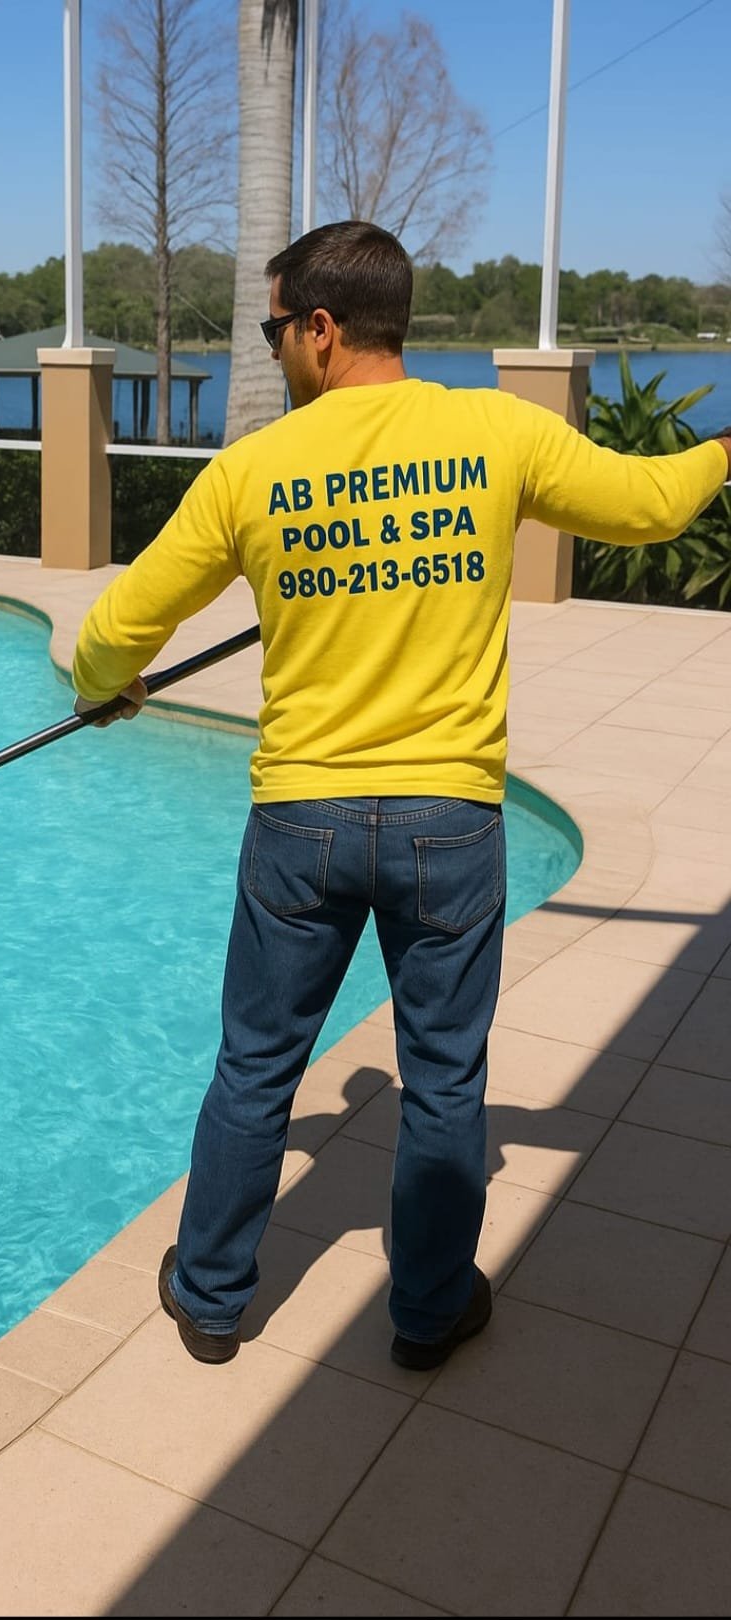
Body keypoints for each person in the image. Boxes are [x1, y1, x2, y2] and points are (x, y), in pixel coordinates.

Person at [71, 220, 731, 1371]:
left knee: (255, 1069)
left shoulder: (253, 469)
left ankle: (213, 1299)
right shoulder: (496, 432)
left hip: (301, 827)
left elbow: (114, 633)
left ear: (323, 329)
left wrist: (107, 688)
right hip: (448, 825)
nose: (276, 347)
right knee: (445, 1078)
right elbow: (656, 503)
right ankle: (427, 1312)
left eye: (278, 327)